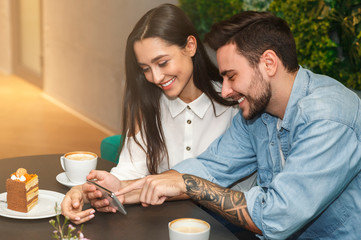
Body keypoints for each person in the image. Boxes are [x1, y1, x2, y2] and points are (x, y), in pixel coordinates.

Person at [117, 11, 361, 239]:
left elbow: (275, 217)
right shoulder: (257, 114)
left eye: (231, 76)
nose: (225, 90)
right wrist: (119, 191)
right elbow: (209, 167)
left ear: (268, 63)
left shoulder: (328, 117)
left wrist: (190, 184)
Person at [61, 4, 257, 224]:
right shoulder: (149, 105)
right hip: (162, 224)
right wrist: (87, 191)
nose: (155, 77)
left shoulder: (236, 103)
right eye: (145, 68)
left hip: (229, 228)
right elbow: (130, 170)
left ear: (190, 46)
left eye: (162, 62)